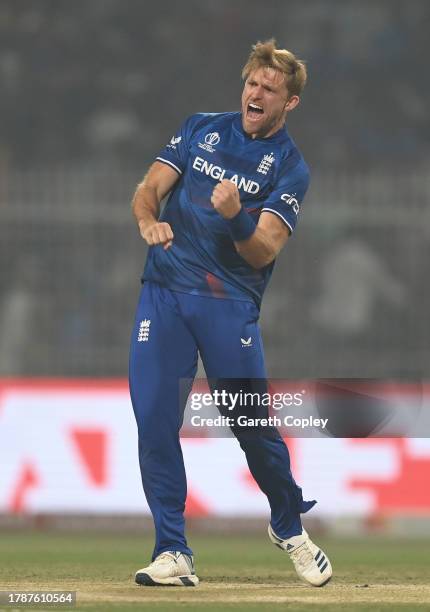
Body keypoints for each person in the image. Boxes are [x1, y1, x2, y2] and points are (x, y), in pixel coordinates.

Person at [129, 39, 332, 588]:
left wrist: (238, 216)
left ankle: (288, 525)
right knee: (154, 419)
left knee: (250, 426)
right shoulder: (200, 128)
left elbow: (264, 249)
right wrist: (149, 220)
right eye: (251, 83)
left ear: (289, 103)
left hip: (228, 306)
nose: (256, 93)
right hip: (165, 293)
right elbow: (150, 187)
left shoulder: (290, 167)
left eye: (270, 88)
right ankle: (173, 551)